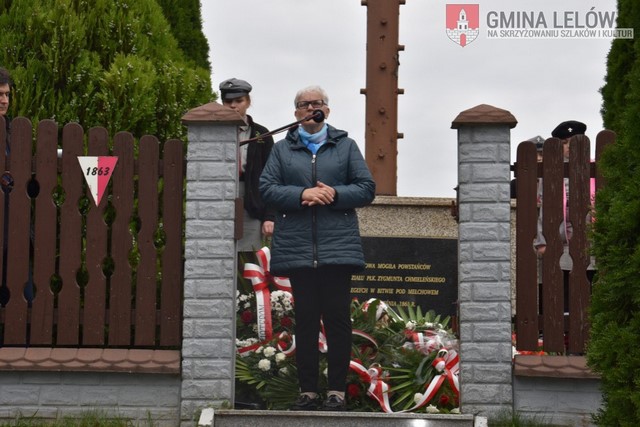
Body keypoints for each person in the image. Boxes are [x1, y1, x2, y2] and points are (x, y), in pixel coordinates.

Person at [259, 85, 376, 411]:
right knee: (306, 321)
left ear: (327, 109)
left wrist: (334, 194)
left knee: (337, 320)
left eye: (317, 103)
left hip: (337, 249)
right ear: (296, 112)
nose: (311, 108)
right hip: (298, 249)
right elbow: (267, 188)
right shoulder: (282, 150)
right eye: (304, 104)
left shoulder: (346, 146)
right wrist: (302, 195)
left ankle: (337, 391)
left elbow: (366, 189)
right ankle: (308, 391)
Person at [533, 120, 595, 313]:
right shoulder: (551, 172)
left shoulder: (595, 169)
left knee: (590, 291)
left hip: (592, 244)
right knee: (564, 294)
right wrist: (541, 242)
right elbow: (542, 210)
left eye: (572, 142)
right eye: (564, 143)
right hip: (560, 245)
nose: (568, 147)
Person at [219, 78, 275, 251]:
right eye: (228, 101)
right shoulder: (214, 130)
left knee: (249, 253)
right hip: (219, 196)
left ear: (248, 102)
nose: (233, 106)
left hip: (252, 199)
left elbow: (272, 176)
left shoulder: (261, 134)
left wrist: (269, 216)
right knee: (218, 247)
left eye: (239, 101)